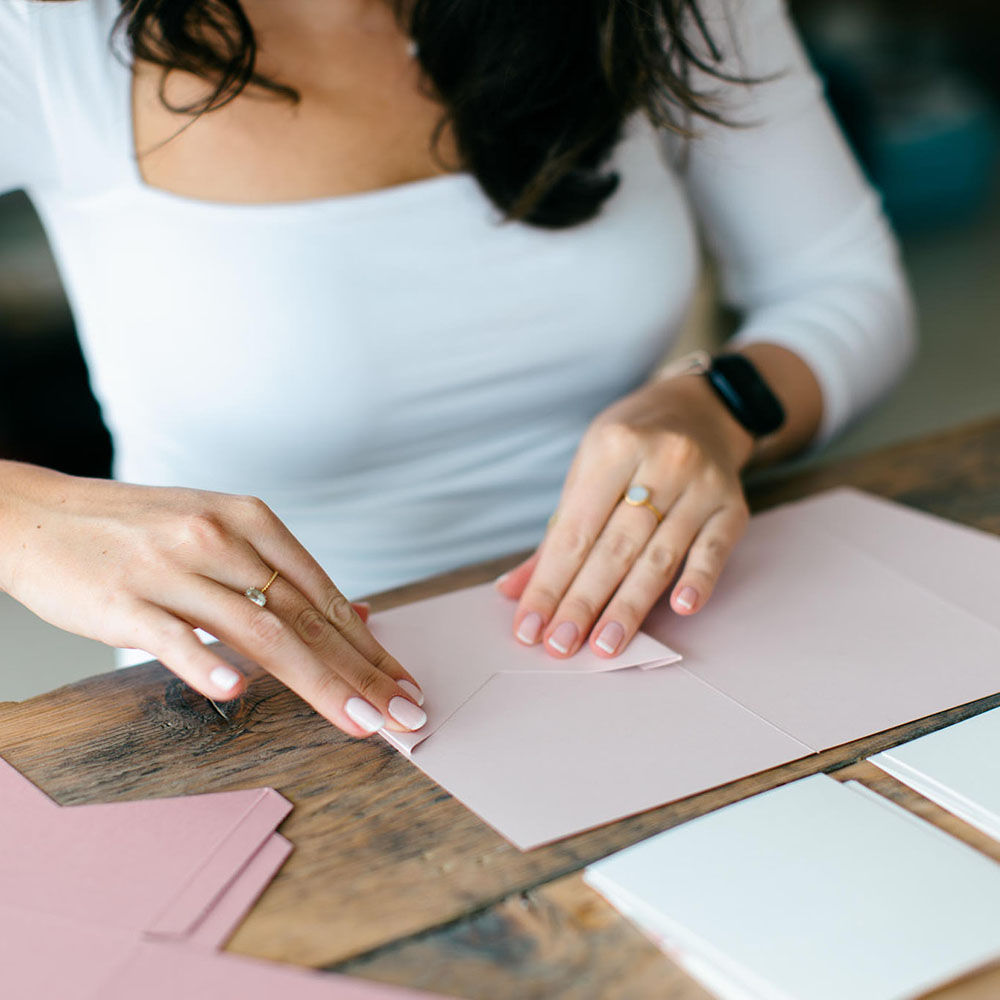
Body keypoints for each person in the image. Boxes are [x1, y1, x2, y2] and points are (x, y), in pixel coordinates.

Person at [0, 0, 913, 739]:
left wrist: (717, 407)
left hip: (681, 631)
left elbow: (844, 283)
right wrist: (25, 520)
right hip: (263, 705)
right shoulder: (44, 31)